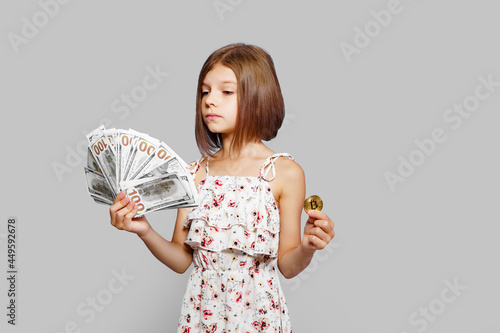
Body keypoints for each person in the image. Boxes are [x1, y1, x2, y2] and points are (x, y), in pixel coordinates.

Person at [109, 43, 335, 333]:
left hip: (260, 317)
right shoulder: (193, 173)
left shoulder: (284, 172)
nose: (209, 101)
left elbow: (288, 266)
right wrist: (144, 230)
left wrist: (308, 247)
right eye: (205, 91)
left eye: (226, 92)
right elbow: (181, 260)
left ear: (259, 97)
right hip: (201, 316)